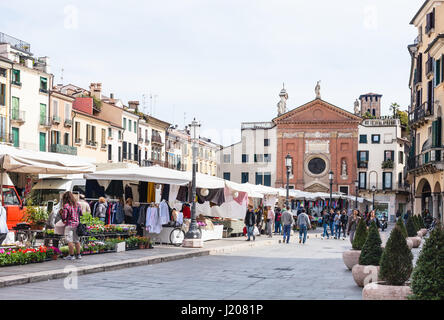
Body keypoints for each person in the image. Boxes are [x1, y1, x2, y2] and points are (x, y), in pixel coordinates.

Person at [60, 191, 83, 260]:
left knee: (69, 240)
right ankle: (78, 255)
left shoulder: (66, 205)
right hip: (77, 224)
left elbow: (64, 217)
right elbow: (81, 213)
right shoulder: (78, 204)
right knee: (76, 240)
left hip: (69, 224)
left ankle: (71, 255)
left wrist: (61, 213)